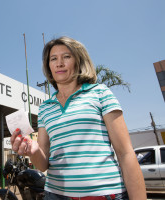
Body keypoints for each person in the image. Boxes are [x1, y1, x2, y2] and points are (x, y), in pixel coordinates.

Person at [11, 36, 146, 200]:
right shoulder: (45, 108)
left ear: (78, 61)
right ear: (49, 66)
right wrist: (33, 152)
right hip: (55, 195)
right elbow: (42, 164)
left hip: (104, 194)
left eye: (66, 57)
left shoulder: (100, 93)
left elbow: (125, 153)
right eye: (53, 59)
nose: (59, 63)